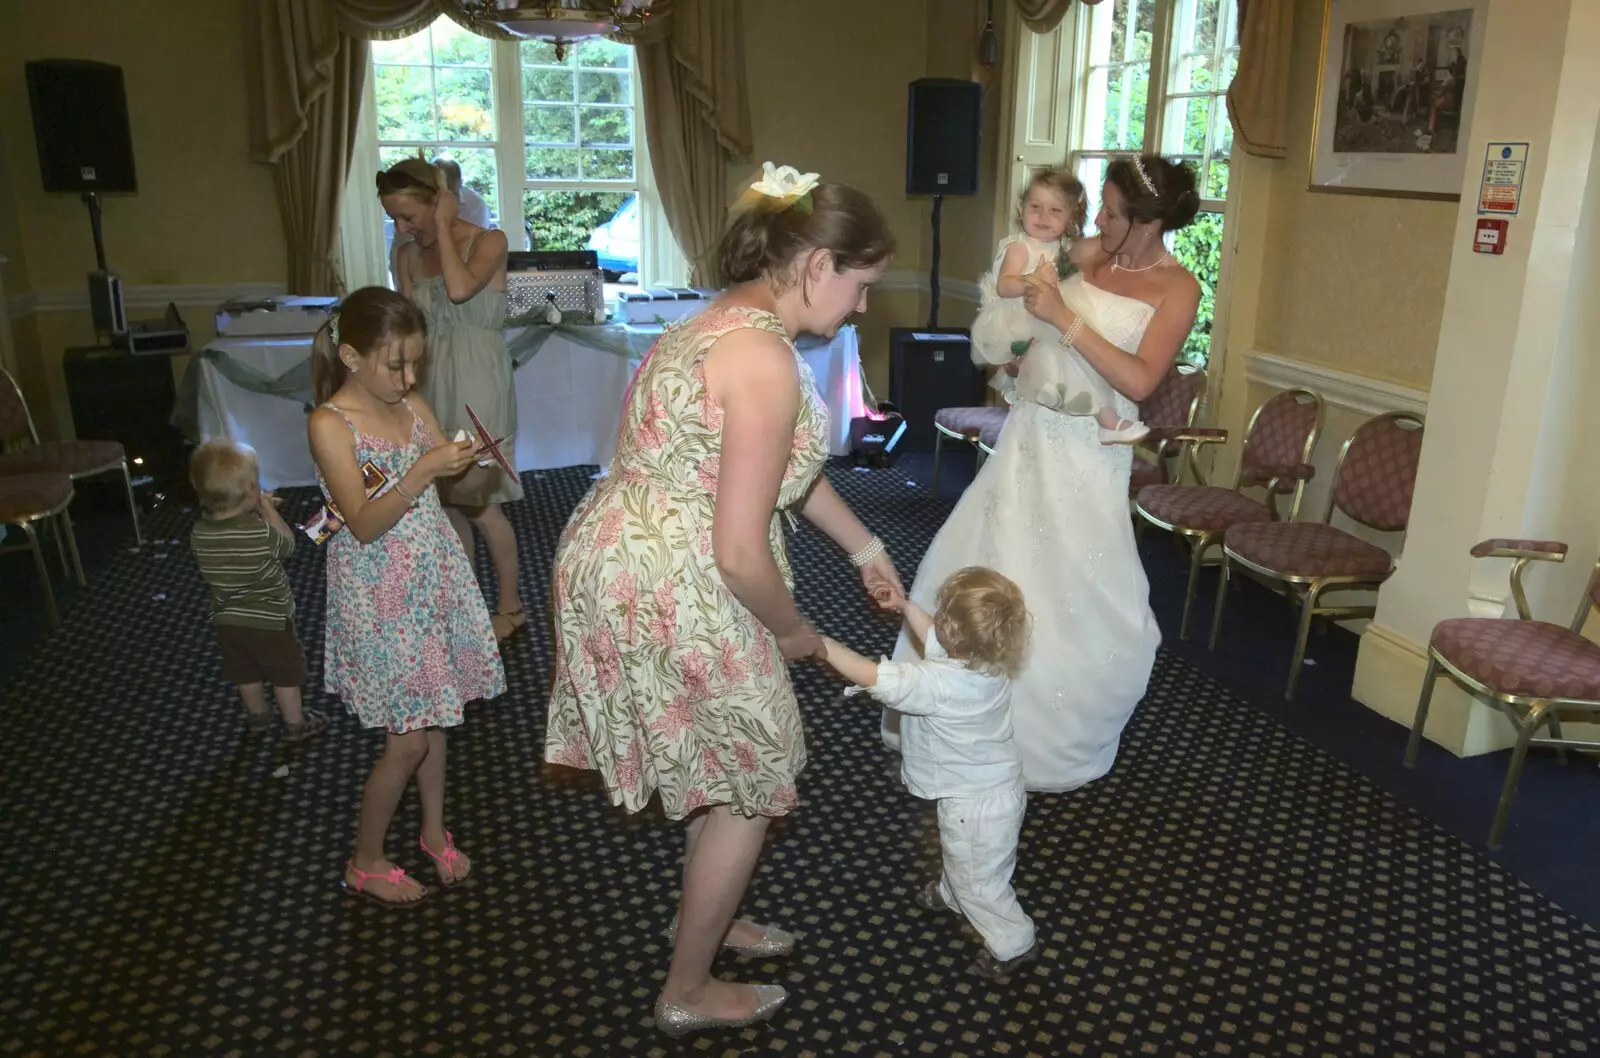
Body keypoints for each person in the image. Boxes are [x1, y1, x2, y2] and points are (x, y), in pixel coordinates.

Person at [545, 162, 901, 1036]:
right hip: (679, 574)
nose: (860, 308)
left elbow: (771, 468)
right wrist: (798, 633)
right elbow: (742, 552)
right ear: (818, 264)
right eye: (860, 286)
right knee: (757, 771)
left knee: (719, 753)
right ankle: (686, 989)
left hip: (619, 550)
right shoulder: (765, 359)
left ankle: (700, 917)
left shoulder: (715, 321)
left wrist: (865, 547)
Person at [884, 155, 1204, 793]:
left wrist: (1066, 319)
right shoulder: (1084, 253)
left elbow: (1140, 379)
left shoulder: (1180, 288)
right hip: (1031, 435)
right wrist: (1017, 342)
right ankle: (954, 719)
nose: (1098, 221)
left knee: (1078, 585)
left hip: (1090, 450)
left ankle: (1046, 740)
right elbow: (1018, 302)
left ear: (1146, 222)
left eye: (1112, 213)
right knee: (990, 558)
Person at [306, 286, 506, 907]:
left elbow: (445, 494)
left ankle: (430, 830)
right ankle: (364, 859)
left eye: (415, 363)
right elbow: (362, 523)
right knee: (409, 738)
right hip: (379, 593)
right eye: (396, 364)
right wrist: (422, 470)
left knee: (438, 716)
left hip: (430, 578)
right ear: (350, 356)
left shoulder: (411, 405)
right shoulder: (328, 424)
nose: (410, 376)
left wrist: (467, 464)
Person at [822, 567, 1035, 980]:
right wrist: (904, 606)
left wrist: (821, 644)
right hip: (990, 790)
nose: (934, 621)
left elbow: (875, 676)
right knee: (972, 859)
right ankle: (954, 892)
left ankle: (1013, 943)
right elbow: (937, 641)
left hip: (975, 804)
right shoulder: (983, 664)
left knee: (980, 880)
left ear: (954, 632)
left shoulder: (939, 685)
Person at [378, 158, 526, 643]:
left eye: (410, 216)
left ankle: (512, 605)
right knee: (446, 505)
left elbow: (460, 290)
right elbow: (407, 324)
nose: (402, 228)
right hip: (429, 379)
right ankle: (468, 601)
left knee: (480, 501)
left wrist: (442, 225)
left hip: (478, 380)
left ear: (437, 202)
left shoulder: (490, 240)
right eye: (393, 219)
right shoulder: (404, 254)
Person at [974, 169, 1145, 445]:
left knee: (1078, 357)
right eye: (1035, 207)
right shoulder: (1021, 248)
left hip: (1047, 317)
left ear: (1071, 219)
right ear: (1022, 208)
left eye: (1055, 210)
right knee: (1071, 355)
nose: (1043, 217)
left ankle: (1102, 418)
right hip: (1022, 315)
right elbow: (1004, 286)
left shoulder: (1067, 250)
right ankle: (1108, 420)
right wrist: (1031, 281)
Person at [188, 439, 328, 743]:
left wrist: (250, 508)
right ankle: (295, 723)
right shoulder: (258, 531)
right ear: (251, 491)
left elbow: (230, 540)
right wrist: (267, 510)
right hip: (270, 621)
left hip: (227, 622)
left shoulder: (199, 532)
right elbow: (287, 544)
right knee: (285, 674)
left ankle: (258, 717)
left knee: (245, 673)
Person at [389, 158, 492, 287]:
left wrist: (443, 222)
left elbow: (460, 289)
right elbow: (399, 271)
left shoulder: (476, 206)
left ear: (461, 183)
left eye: (452, 193)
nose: (443, 202)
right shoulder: (407, 236)